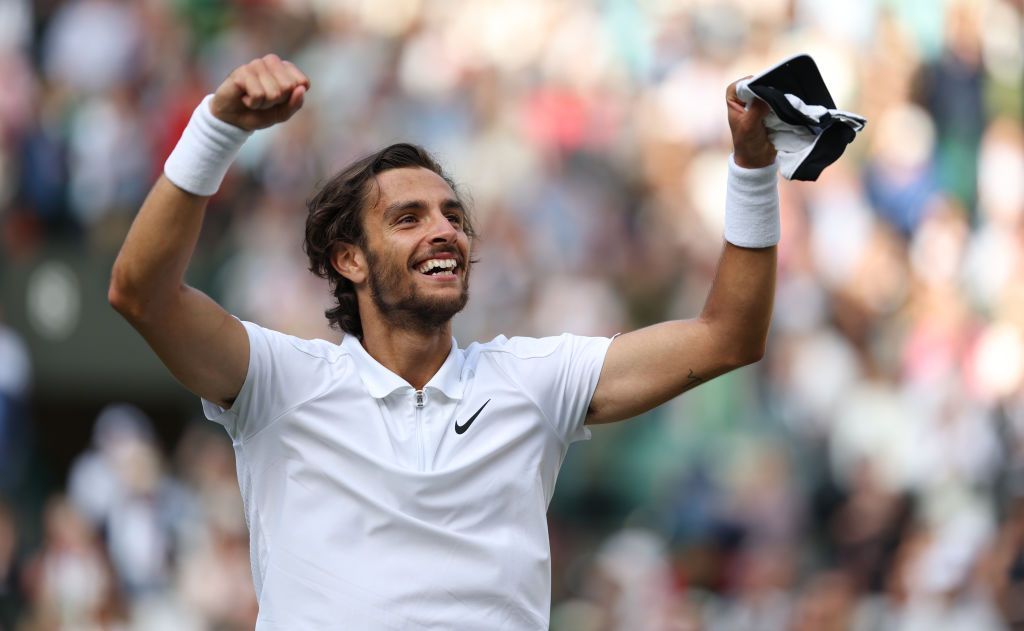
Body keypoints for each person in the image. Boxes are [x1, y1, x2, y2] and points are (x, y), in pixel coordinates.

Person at [109, 54, 779, 630]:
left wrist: (752, 169)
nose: (445, 231)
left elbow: (726, 337)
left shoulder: (533, 379)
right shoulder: (281, 381)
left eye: (453, 216)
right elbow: (141, 294)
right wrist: (218, 129)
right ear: (350, 260)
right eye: (409, 217)